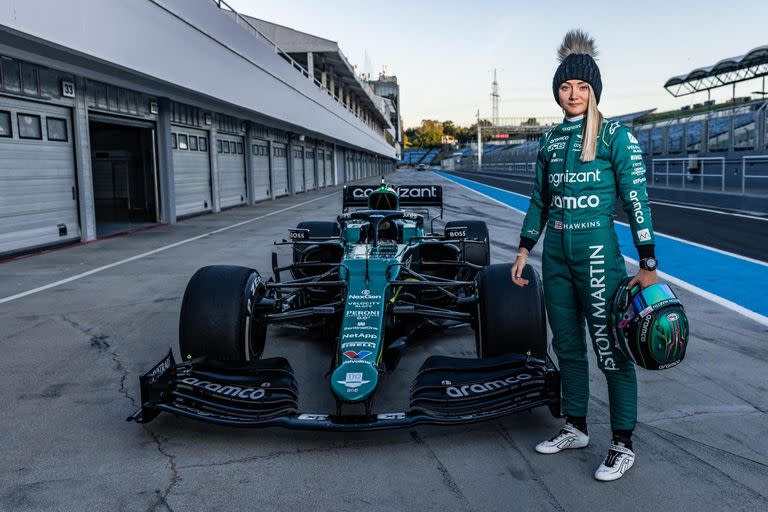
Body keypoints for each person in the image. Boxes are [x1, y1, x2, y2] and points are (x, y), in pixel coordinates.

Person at [510, 29, 660, 482]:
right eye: (565, 86)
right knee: (568, 347)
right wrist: (523, 249)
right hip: (554, 256)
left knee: (611, 350)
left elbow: (637, 200)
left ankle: (622, 442)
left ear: (594, 90)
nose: (573, 94)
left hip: (600, 258)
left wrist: (648, 264)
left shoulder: (616, 136)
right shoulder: (550, 140)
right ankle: (575, 426)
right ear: (557, 91)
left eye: (582, 87)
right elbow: (539, 200)